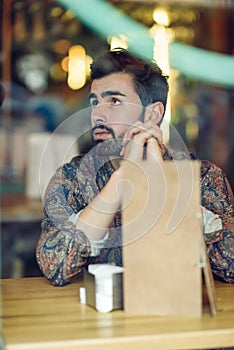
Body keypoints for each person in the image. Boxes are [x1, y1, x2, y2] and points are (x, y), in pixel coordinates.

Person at [36, 48, 234, 286]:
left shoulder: (203, 177)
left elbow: (231, 266)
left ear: (152, 114)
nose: (97, 114)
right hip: (97, 317)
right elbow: (55, 266)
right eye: (94, 102)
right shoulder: (71, 178)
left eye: (114, 101)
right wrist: (122, 178)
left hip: (177, 316)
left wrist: (159, 180)